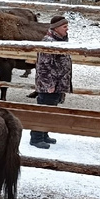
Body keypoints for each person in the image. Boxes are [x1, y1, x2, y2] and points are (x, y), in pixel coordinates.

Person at [30, 15, 72, 149]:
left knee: (50, 109)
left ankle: (44, 134)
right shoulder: (48, 42)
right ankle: (36, 138)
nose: (67, 29)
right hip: (49, 85)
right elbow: (43, 66)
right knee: (43, 109)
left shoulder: (60, 40)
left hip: (58, 83)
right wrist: (49, 84)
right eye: (64, 27)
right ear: (56, 28)